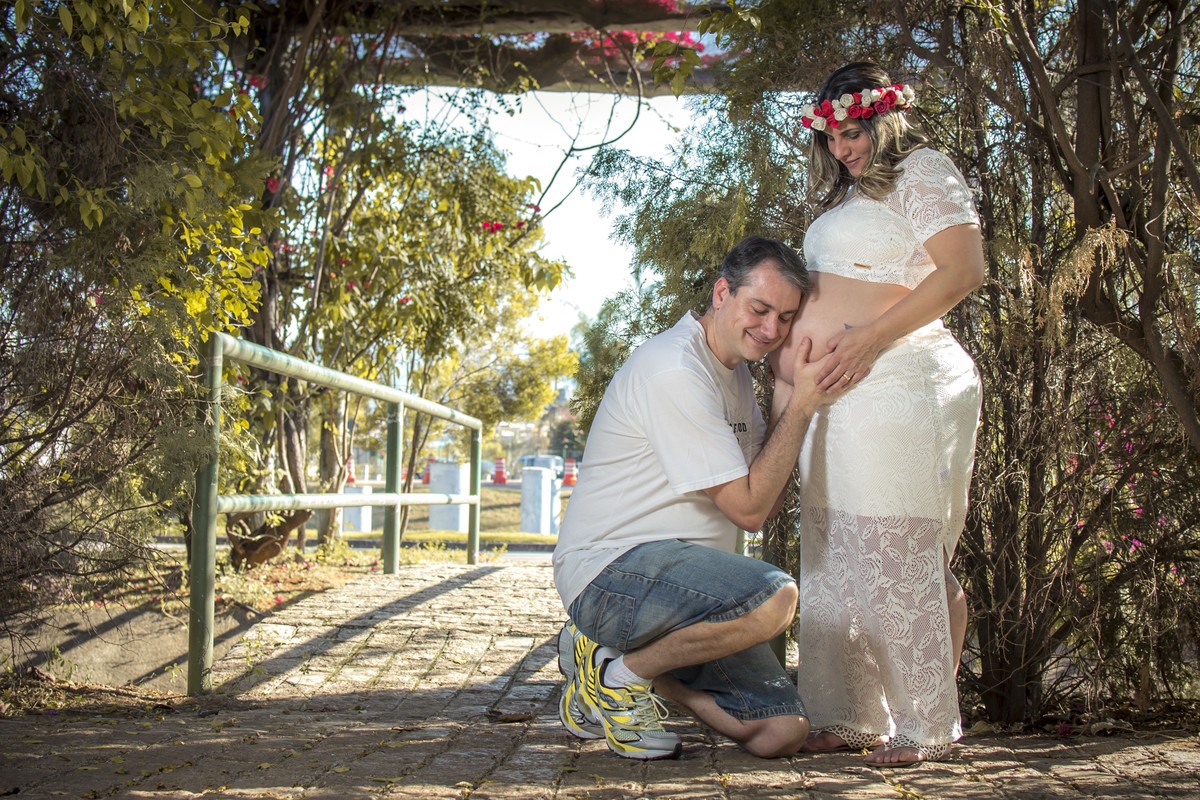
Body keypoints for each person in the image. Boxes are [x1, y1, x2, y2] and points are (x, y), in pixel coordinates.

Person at [553, 236, 845, 761]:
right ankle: (621, 679)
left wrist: (785, 389)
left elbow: (764, 501)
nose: (772, 329)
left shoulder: (734, 373)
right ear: (722, 293)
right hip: (611, 573)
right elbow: (749, 510)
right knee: (775, 598)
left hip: (692, 599)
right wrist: (803, 405)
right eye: (759, 309)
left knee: (782, 732)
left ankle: (612, 667)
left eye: (785, 318)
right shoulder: (674, 369)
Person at [770, 62, 985, 767]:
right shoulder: (852, 194)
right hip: (835, 396)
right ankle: (851, 715)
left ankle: (926, 726)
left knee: (894, 546)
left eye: (853, 133)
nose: (842, 149)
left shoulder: (924, 170)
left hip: (899, 378)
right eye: (830, 139)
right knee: (837, 553)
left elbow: (963, 271)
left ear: (885, 119)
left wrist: (867, 338)